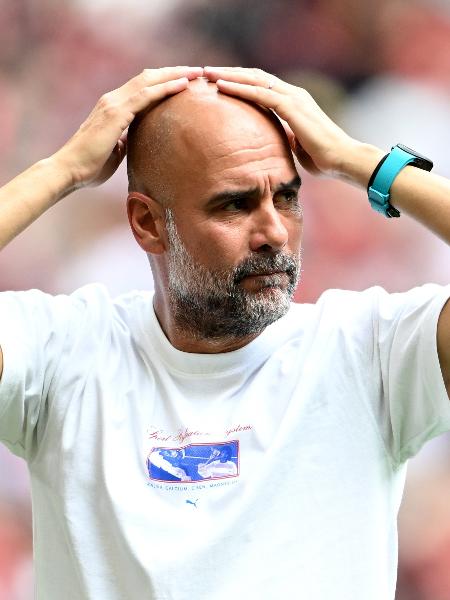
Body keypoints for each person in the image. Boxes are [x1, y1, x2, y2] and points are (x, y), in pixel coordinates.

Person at [0, 65, 449, 600]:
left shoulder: (374, 350)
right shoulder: (61, 351)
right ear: (146, 223)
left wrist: (361, 161)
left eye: (285, 197)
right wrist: (63, 170)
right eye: (234, 204)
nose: (274, 232)